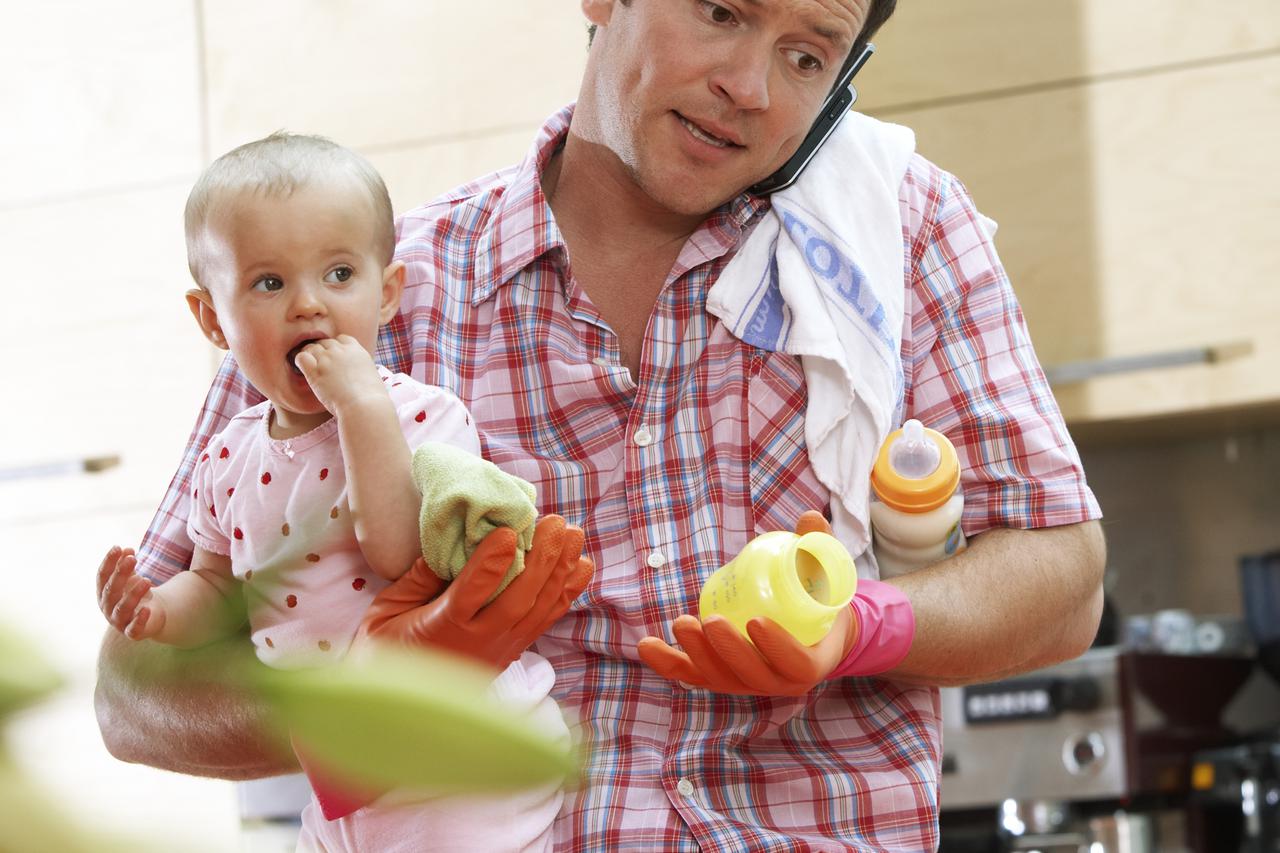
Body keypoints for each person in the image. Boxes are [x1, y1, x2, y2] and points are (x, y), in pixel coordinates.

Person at [95, 0, 1107, 848]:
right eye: (720, 10)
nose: (750, 88)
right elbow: (136, 695)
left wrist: (857, 628)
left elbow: (1061, 581)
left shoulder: (895, 239)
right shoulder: (357, 290)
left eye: (805, 56)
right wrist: (377, 697)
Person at [94, 132, 588, 852]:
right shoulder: (228, 454)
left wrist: (362, 411)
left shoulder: (422, 414)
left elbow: (394, 551)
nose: (308, 307)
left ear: (386, 293)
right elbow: (211, 585)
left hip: (459, 752)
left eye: (338, 274)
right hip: (340, 776)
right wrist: (154, 612)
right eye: (269, 283)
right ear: (212, 320)